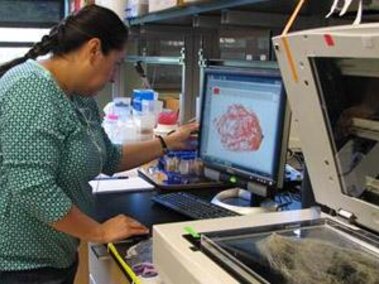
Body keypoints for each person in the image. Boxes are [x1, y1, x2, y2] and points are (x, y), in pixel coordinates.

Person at [0, 5, 197, 284]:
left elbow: (109, 157)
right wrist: (99, 232)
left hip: (54, 257)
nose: (115, 76)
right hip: (21, 266)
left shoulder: (78, 97)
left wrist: (167, 142)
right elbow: (32, 186)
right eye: (116, 63)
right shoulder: (30, 89)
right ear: (94, 50)